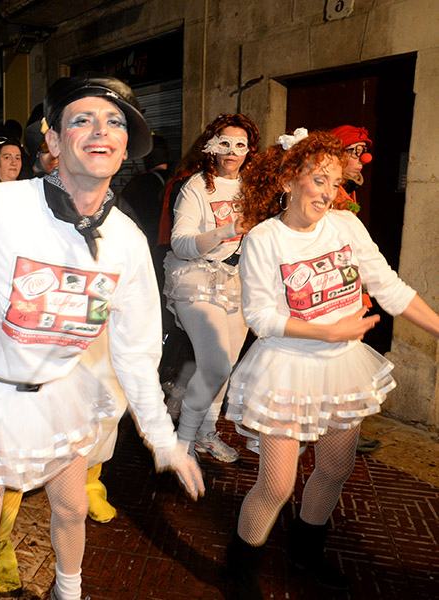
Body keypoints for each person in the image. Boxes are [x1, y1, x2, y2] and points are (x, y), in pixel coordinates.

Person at [0, 73, 203, 600]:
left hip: (62, 393)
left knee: (73, 509)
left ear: (126, 145)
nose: (99, 130)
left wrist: (163, 437)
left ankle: (68, 590)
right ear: (54, 141)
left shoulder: (126, 242)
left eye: (114, 122)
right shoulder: (2, 207)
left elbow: (136, 352)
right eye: (81, 119)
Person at [224, 128, 439, 599]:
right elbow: (260, 316)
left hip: (342, 367)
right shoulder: (265, 238)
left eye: (335, 181)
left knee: (335, 469)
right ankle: (239, 572)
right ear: (287, 179)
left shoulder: (346, 226)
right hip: (287, 369)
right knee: (277, 485)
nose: (328, 192)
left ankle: (305, 550)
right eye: (318, 179)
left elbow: (391, 288)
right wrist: (328, 330)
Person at [162, 114, 260, 463]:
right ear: (211, 147)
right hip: (196, 278)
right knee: (216, 365)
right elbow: (181, 244)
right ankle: (183, 443)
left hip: (237, 281)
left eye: (240, 144)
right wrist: (227, 229)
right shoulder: (196, 186)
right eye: (225, 143)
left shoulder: (253, 187)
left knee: (226, 367)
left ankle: (206, 432)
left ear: (250, 151)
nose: (232, 151)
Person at [330, 125, 381, 454]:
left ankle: (341, 427)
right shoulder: (333, 196)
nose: (362, 159)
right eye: (354, 152)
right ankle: (340, 430)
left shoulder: (347, 194)